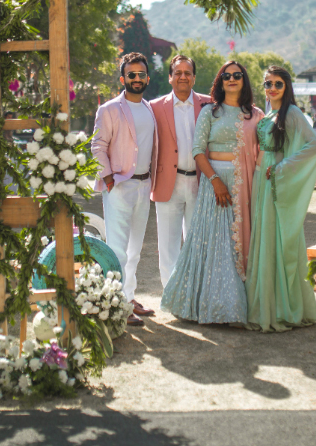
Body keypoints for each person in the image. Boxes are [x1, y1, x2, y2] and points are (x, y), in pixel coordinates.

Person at [161, 61, 262, 324]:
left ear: (244, 80)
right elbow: (197, 150)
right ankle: (211, 306)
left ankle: (237, 305)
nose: (232, 79)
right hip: (213, 184)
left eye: (237, 75)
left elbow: (265, 150)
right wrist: (216, 181)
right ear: (220, 81)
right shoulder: (210, 112)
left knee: (238, 242)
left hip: (244, 184)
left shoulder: (255, 115)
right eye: (227, 75)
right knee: (215, 244)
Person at [246, 67, 316, 332]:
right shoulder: (269, 113)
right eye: (268, 83)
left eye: (278, 84)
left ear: (287, 86)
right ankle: (265, 302)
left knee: (276, 237)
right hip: (260, 180)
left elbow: (314, 145)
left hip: (274, 180)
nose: (272, 88)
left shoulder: (291, 113)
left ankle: (282, 307)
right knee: (263, 236)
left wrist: (282, 167)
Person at [91, 52, 158, 327]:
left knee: (135, 250)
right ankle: (117, 305)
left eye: (141, 74)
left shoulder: (150, 109)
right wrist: (108, 179)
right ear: (123, 79)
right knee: (118, 249)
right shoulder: (109, 109)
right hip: (119, 186)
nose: (137, 78)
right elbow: (97, 146)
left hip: (144, 184)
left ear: (147, 78)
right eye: (131, 74)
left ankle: (129, 298)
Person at [149, 54, 212, 287]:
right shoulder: (155, 107)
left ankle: (195, 295)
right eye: (178, 72)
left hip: (200, 183)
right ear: (170, 77)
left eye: (187, 73)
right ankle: (170, 295)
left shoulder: (209, 104)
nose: (182, 77)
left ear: (194, 78)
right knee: (168, 246)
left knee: (198, 244)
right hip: (169, 183)